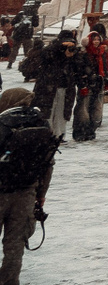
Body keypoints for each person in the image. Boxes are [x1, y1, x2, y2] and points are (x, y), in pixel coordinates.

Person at [0, 87, 58, 285]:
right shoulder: (40, 125)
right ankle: (10, 280)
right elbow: (48, 164)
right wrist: (41, 194)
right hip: (26, 192)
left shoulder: (3, 125)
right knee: (15, 243)